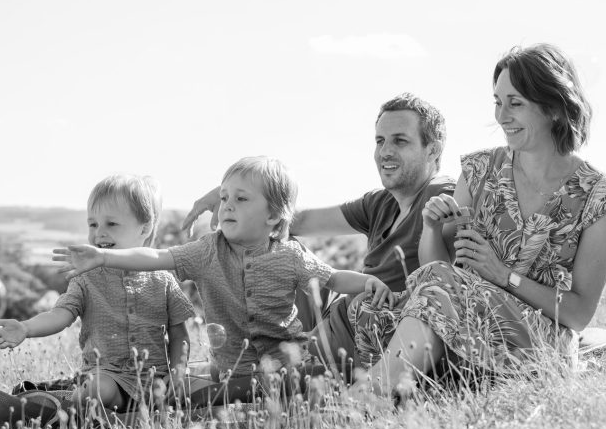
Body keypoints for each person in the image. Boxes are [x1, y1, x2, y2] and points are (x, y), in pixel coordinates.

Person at [368, 43, 606, 391]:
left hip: (539, 344)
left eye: (515, 103)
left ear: (552, 107)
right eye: (497, 101)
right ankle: (354, 386)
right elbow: (436, 271)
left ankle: (373, 394)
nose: (501, 116)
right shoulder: (480, 169)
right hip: (462, 321)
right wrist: (431, 229)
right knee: (365, 311)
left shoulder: (600, 196)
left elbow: (579, 314)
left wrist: (504, 276)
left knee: (428, 297)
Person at [53, 156, 394, 403]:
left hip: (286, 363)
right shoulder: (207, 250)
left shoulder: (290, 255)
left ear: (273, 215)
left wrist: (366, 282)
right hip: (230, 368)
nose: (227, 206)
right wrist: (103, 256)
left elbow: (332, 279)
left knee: (312, 378)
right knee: (184, 391)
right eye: (225, 198)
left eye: (240, 199)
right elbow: (158, 258)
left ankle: (241, 393)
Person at [180, 94, 455, 377]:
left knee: (235, 377)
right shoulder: (381, 203)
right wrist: (238, 196)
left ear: (432, 150)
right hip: (333, 321)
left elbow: (443, 281)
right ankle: (243, 356)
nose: (385, 151)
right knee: (280, 243)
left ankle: (222, 374)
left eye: (400, 140)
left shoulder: (440, 195)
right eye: (380, 140)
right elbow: (296, 221)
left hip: (367, 328)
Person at [0, 174, 194, 416]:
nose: (99, 233)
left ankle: (61, 389)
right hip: (107, 377)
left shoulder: (163, 279)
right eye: (93, 224)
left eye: (111, 224)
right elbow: (60, 315)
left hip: (156, 381)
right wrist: (26, 328)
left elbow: (180, 332)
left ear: (144, 228)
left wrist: (178, 374)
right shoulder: (86, 278)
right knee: (98, 390)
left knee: (199, 389)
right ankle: (58, 402)